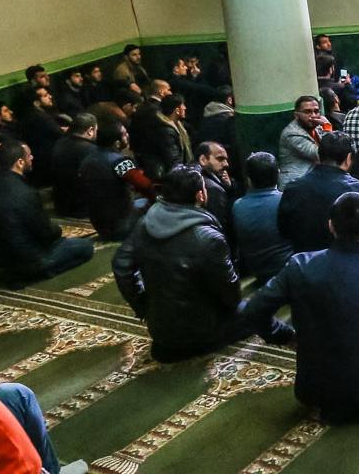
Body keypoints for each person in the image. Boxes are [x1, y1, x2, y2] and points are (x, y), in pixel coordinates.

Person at [240, 192, 359, 423]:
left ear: (330, 225)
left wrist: (284, 335)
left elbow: (254, 309)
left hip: (313, 387)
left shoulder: (299, 265)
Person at [114, 166, 288, 362]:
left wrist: (144, 307)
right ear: (200, 195)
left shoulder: (145, 223)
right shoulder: (208, 238)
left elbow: (121, 266)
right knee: (255, 309)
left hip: (159, 328)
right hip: (200, 330)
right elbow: (232, 296)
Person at [278, 131, 359, 264]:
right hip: (351, 265)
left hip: (305, 263)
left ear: (319, 156)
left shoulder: (293, 188)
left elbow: (284, 231)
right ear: (349, 158)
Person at [0, 141, 95, 284]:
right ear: (20, 162)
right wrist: (57, 231)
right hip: (29, 258)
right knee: (85, 247)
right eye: (29, 156)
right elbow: (44, 233)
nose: (32, 158)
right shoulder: (25, 193)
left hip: (0, 257)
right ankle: (39, 272)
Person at [80, 123, 155, 241]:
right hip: (121, 225)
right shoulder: (120, 162)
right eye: (124, 134)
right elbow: (146, 186)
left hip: (98, 224)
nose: (128, 135)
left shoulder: (87, 159)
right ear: (117, 143)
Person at [230, 152, 294, 286]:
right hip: (288, 269)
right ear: (278, 173)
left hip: (258, 273)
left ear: (248, 179)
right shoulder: (286, 200)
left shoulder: (237, 206)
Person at [48, 113, 98, 217]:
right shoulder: (91, 150)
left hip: (61, 205)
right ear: (90, 130)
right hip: (83, 208)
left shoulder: (59, 143)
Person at [277, 95, 331, 187]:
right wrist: (327, 127)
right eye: (307, 112)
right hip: (294, 184)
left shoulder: (317, 127)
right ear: (296, 115)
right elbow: (321, 154)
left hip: (313, 179)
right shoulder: (292, 133)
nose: (313, 116)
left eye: (316, 111)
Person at [17, 86, 62, 187]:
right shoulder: (41, 117)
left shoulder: (26, 116)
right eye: (45, 96)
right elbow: (59, 133)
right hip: (50, 160)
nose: (50, 96)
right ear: (36, 103)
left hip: (38, 161)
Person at [195, 141, 235, 233]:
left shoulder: (195, 179)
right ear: (203, 160)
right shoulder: (213, 189)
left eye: (226, 160)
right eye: (220, 159)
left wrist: (228, 187)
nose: (226, 164)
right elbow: (222, 226)